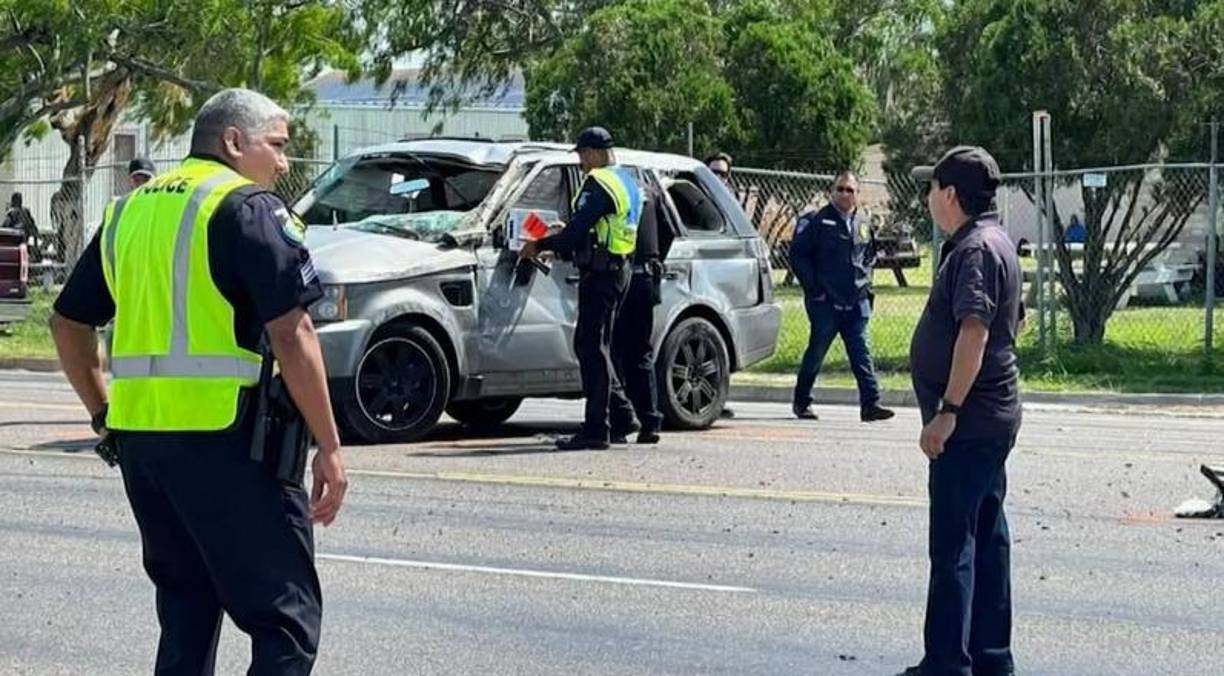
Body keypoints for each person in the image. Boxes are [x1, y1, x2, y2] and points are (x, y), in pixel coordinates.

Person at [50, 87, 348, 675]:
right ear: (234, 143)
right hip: (230, 442)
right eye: (277, 146)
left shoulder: (126, 211)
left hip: (143, 448)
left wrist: (102, 412)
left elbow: (66, 322)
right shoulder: (246, 207)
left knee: (186, 612)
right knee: (285, 621)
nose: (284, 163)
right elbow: (294, 333)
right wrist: (331, 447)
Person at [899, 146, 1023, 676]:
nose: (928, 196)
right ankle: (992, 658)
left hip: (969, 423)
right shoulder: (995, 241)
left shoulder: (974, 249)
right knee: (987, 538)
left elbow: (974, 330)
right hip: (992, 418)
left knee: (955, 547)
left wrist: (947, 411)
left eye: (932, 187)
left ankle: (948, 663)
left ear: (950, 194)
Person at [520, 126, 640, 450]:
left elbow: (575, 235)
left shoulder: (599, 182)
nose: (582, 162)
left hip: (601, 274)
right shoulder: (627, 181)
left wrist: (539, 244)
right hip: (619, 268)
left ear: (596, 152)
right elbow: (596, 227)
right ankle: (623, 416)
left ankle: (596, 430)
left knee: (589, 347)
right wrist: (568, 233)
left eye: (583, 154)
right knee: (598, 346)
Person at [789, 171, 894, 423]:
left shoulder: (863, 221)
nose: (845, 194)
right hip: (825, 302)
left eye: (850, 190)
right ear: (832, 191)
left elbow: (869, 255)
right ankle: (802, 401)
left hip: (856, 301)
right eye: (840, 189)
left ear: (858, 194)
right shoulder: (816, 221)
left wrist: (866, 283)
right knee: (816, 352)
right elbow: (799, 256)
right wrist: (814, 290)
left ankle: (871, 404)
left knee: (861, 352)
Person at [609, 180, 677, 445]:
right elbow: (669, 231)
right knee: (640, 352)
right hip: (647, 277)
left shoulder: (610, 188)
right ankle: (650, 421)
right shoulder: (649, 190)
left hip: (621, 275)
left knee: (613, 350)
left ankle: (619, 421)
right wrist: (654, 258)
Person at [703, 151, 738, 421]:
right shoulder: (695, 200)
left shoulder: (731, 205)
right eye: (713, 172)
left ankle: (718, 398)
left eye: (723, 174)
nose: (718, 178)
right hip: (701, 276)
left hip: (725, 279)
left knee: (722, 342)